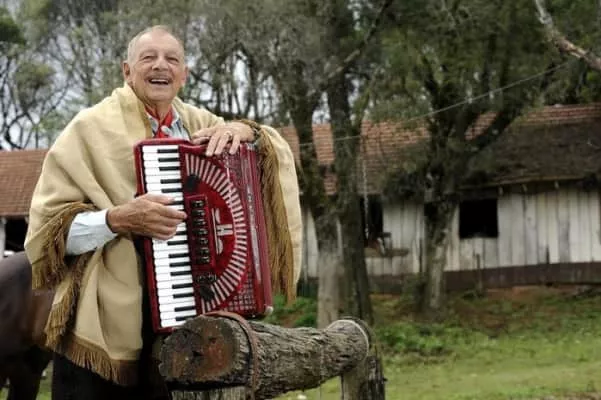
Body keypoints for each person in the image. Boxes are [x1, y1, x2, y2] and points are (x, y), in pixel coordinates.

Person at [24, 25, 302, 400]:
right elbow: (47, 232)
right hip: (105, 322)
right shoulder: (87, 129)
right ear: (127, 71)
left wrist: (247, 131)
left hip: (189, 318)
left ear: (184, 74)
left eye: (172, 59)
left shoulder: (204, 125)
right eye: (148, 57)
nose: (160, 66)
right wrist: (116, 219)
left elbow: (267, 150)